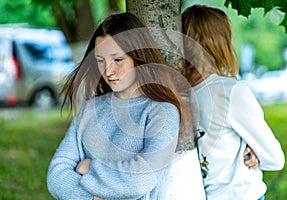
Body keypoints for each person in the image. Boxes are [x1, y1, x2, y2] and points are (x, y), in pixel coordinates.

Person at [47, 12, 190, 200]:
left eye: (118, 59)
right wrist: (91, 197)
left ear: (138, 56)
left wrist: (88, 166)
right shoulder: (90, 110)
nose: (108, 70)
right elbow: (56, 175)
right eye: (100, 60)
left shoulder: (162, 112)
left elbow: (140, 180)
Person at [181, 4, 285, 200]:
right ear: (221, 42)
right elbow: (275, 159)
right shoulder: (232, 92)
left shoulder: (177, 94)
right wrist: (256, 151)